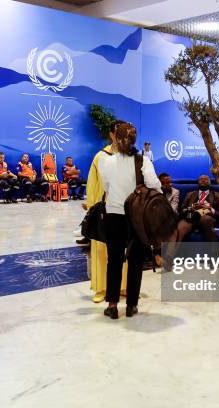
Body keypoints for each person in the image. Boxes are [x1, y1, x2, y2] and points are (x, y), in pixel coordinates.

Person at [99, 123, 161, 319]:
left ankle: (112, 305)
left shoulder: (105, 161)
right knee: (135, 261)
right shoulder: (143, 161)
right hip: (137, 218)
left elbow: (107, 187)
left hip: (113, 216)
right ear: (134, 139)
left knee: (114, 261)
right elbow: (154, 185)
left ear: (115, 139)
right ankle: (132, 305)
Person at [86, 120, 128, 303]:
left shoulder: (131, 156)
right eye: (119, 132)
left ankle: (123, 286)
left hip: (125, 212)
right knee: (101, 249)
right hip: (104, 211)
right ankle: (101, 288)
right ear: (112, 134)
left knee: (124, 251)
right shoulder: (100, 157)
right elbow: (92, 185)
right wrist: (92, 209)